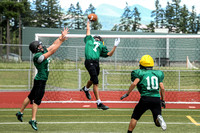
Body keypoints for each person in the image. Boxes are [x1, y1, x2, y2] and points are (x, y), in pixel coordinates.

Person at [16, 27, 69, 131]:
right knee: (37, 100)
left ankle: (20, 112)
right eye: (39, 45)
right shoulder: (38, 57)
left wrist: (61, 36)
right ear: (36, 48)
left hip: (38, 79)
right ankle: (33, 119)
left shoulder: (41, 52)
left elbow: (53, 44)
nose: (41, 46)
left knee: (30, 96)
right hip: (41, 80)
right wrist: (62, 42)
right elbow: (53, 50)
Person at [80, 20, 120, 110]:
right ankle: (99, 103)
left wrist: (115, 46)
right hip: (89, 61)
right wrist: (88, 23)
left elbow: (109, 54)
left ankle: (86, 89)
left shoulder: (101, 46)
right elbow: (88, 30)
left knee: (93, 78)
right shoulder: (89, 39)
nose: (97, 38)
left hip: (96, 63)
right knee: (96, 82)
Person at [120, 55, 167, 132]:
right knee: (157, 122)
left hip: (145, 98)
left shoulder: (140, 73)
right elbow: (162, 88)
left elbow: (134, 83)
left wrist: (127, 93)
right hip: (156, 99)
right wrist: (163, 100)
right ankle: (159, 118)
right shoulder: (158, 73)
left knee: (135, 117)